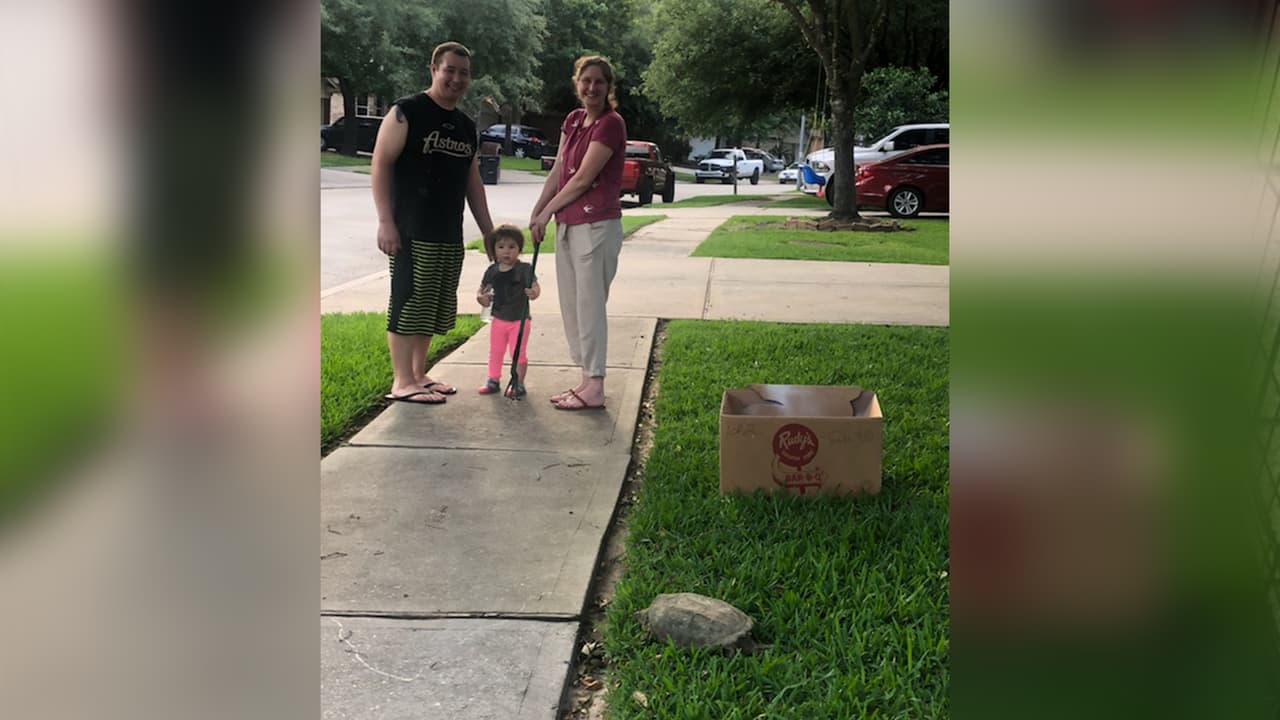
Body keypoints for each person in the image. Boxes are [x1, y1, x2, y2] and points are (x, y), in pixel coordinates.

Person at [371, 41, 494, 405]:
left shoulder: (465, 126)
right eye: (449, 70)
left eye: (464, 73)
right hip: (411, 229)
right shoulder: (407, 111)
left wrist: (488, 231)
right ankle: (402, 381)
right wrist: (385, 220)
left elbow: (473, 181)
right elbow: (380, 163)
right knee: (408, 301)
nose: (456, 78)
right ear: (434, 69)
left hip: (448, 231)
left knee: (432, 305)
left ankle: (419, 374)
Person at [529, 55, 626, 411]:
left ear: (608, 87)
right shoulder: (572, 120)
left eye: (599, 81)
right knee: (572, 306)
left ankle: (595, 385)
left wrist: (547, 211)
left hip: (596, 227)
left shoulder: (610, 124)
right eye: (586, 80)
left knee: (590, 307)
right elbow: (558, 170)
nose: (592, 87)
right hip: (568, 223)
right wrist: (538, 210)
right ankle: (586, 380)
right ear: (577, 83)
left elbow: (583, 178)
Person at [476, 224, 541, 398]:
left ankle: (518, 383)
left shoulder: (524, 269)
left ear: (519, 249)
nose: (506, 251)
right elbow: (482, 290)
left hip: (520, 320)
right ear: (494, 250)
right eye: (501, 247)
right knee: (495, 351)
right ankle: (493, 379)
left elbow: (535, 286)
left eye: (512, 247)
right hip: (498, 319)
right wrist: (481, 298)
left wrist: (534, 292)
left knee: (518, 353)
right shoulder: (492, 271)